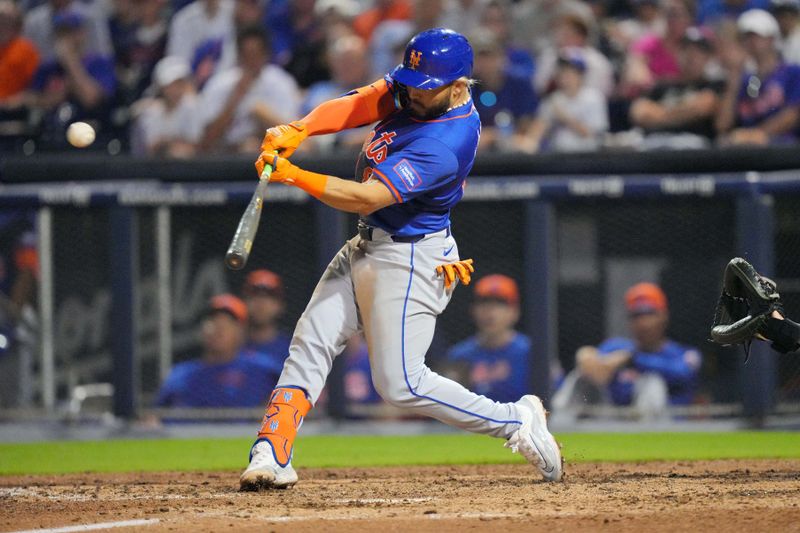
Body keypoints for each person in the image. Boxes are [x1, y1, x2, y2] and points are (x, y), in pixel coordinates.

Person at [239, 28, 563, 490]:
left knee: (401, 385)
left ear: (458, 86)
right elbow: (362, 102)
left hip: (410, 260)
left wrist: (292, 173)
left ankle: (515, 419)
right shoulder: (420, 86)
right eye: (410, 80)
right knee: (311, 341)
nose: (411, 90)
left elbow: (367, 197)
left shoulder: (447, 141)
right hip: (368, 246)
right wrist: (301, 127)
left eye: (424, 86)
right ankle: (271, 451)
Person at [551, 282, 702, 421]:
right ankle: (559, 429)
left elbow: (683, 374)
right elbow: (593, 366)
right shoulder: (617, 347)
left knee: (652, 382)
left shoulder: (683, 354)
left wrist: (632, 359)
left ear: (663, 316)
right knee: (579, 376)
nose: (643, 322)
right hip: (612, 422)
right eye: (636, 315)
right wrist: (585, 356)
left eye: (649, 313)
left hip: (666, 428)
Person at [155, 294, 283, 408]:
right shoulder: (182, 374)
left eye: (227, 323)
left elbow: (295, 397)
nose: (219, 328)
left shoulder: (262, 369)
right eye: (213, 321)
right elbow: (156, 416)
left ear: (241, 331)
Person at [197, 25, 300, 153]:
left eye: (256, 54)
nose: (251, 61)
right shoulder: (220, 84)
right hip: (226, 155)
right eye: (247, 55)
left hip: (271, 153)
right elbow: (205, 141)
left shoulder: (281, 83)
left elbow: (294, 139)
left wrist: (261, 114)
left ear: (265, 54)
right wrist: (235, 97)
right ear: (239, 55)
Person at [28, 9, 116, 149]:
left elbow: (91, 99)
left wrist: (70, 61)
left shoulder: (98, 63)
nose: (66, 39)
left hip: (92, 135)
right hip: (51, 138)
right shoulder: (50, 67)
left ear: (82, 34)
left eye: (71, 32)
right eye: (61, 34)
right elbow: (32, 99)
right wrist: (53, 97)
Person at [629, 26, 725, 149]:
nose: (691, 55)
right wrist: (682, 112)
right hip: (655, 144)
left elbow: (702, 107)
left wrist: (658, 114)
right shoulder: (663, 85)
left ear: (708, 57)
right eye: (685, 49)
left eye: (698, 51)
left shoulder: (713, 84)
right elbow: (639, 113)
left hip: (693, 146)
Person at [716, 9, 800, 145]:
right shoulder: (746, 80)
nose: (750, 42)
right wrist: (734, 79)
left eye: (755, 36)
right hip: (748, 153)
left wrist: (753, 135)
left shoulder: (792, 72)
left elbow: (793, 115)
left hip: (785, 150)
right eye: (745, 37)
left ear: (771, 38)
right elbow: (722, 125)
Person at [446, 274, 533, 404]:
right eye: (484, 303)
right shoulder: (459, 355)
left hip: (520, 422)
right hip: (473, 423)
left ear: (515, 312)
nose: (491, 312)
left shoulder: (530, 352)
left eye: (500, 304)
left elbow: (556, 398)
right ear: (473, 310)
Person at [469, 30, 539, 153]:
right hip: (478, 153)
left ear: (502, 57)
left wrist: (496, 136)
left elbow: (528, 123)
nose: (485, 63)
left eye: (490, 57)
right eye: (480, 58)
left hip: (514, 151)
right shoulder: (466, 89)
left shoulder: (519, 84)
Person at [528, 49, 609, 152]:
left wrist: (565, 118)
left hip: (587, 157)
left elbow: (592, 135)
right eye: (561, 72)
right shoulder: (554, 99)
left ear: (580, 74)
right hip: (557, 157)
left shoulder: (593, 97)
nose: (564, 77)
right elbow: (537, 131)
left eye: (570, 72)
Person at [131, 55, 202, 157]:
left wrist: (166, 142)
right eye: (170, 85)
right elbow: (152, 148)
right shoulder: (151, 112)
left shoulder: (192, 107)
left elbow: (194, 147)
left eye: (179, 83)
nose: (175, 90)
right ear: (161, 86)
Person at [240, 269, 292, 367]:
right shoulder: (230, 347)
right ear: (243, 302)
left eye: (269, 297)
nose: (261, 303)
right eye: (254, 295)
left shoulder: (292, 350)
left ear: (280, 305)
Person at [0, 1, 40, 105]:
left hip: (13, 111)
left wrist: (20, 99)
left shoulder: (26, 50)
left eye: (8, 21)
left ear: (17, 25)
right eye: (1, 21)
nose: (3, 26)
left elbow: (36, 87)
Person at [770, 0, 800, 64]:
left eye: (790, 17)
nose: (786, 21)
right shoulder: (771, 38)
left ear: (796, 18)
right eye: (782, 17)